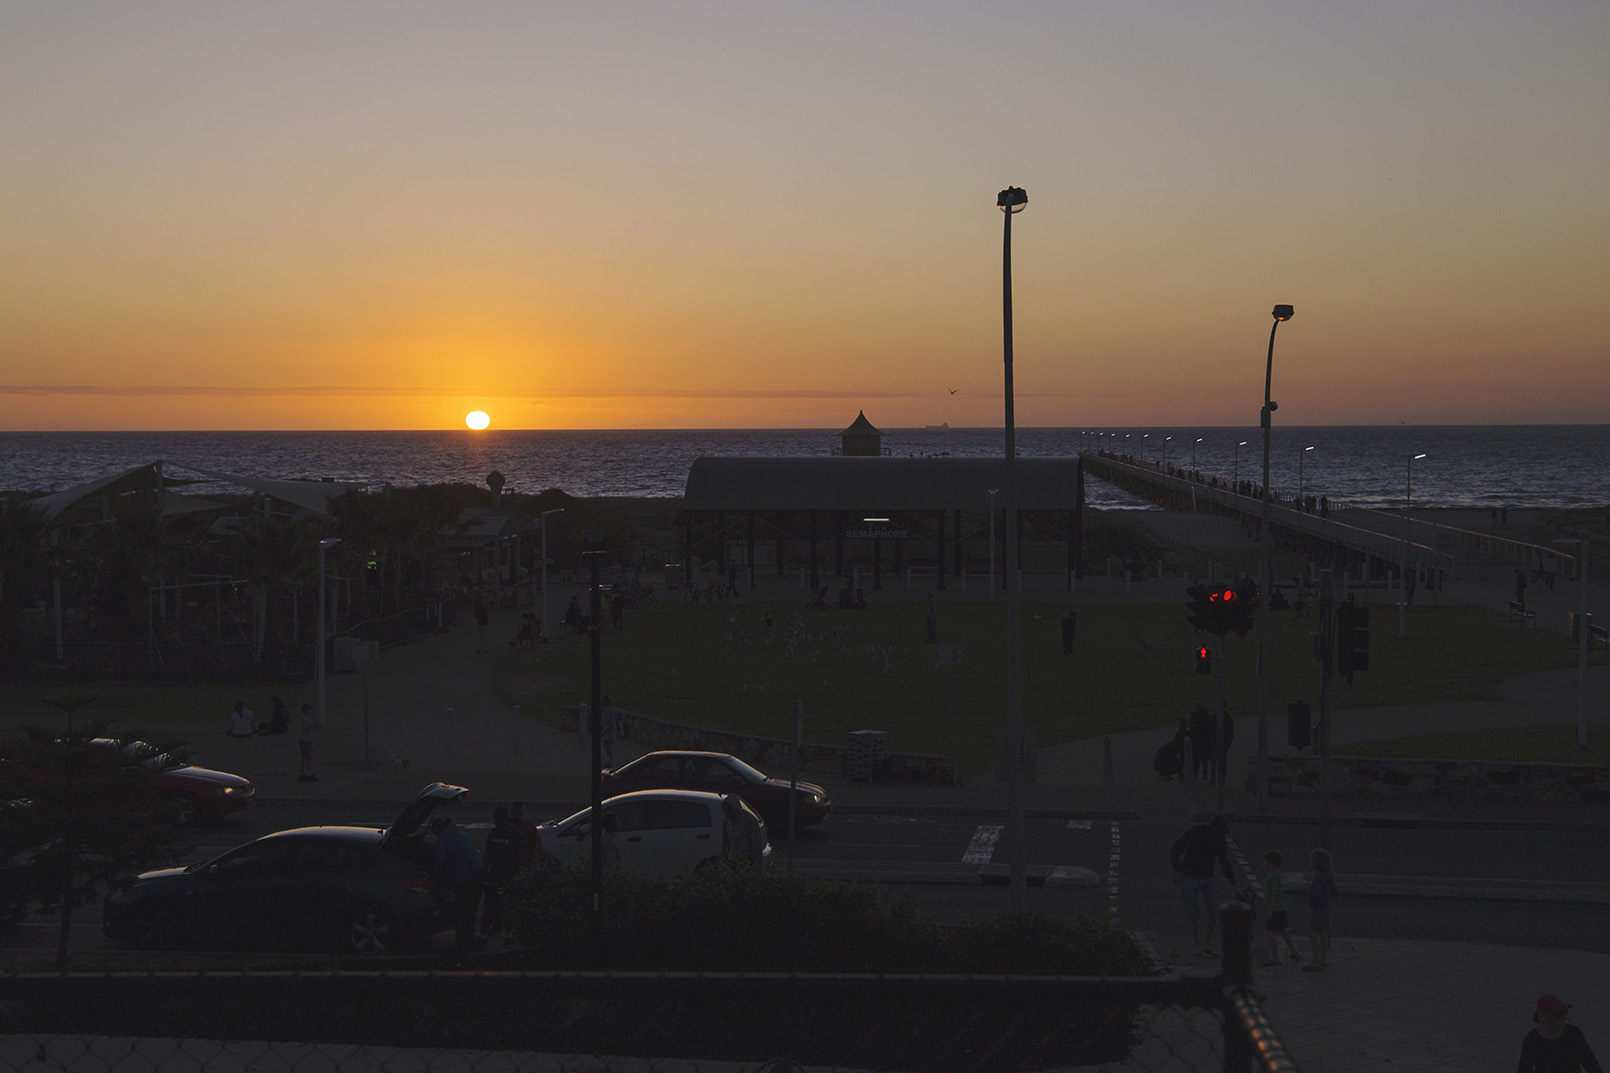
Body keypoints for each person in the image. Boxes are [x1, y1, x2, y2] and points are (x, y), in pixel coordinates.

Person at [1169, 815, 1242, 957]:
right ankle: (1197, 945)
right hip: (1189, 875)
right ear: (1213, 830)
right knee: (1193, 913)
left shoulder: (1220, 841)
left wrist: (1234, 883)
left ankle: (1207, 944)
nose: (1221, 836)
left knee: (1213, 910)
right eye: (1220, 833)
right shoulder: (1196, 831)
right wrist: (1176, 872)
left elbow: (1224, 862)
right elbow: (1176, 849)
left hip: (1208, 876)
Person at [431, 815, 484, 949]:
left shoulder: (443, 838)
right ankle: (468, 942)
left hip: (467, 878)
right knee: (470, 911)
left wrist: (435, 883)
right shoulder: (456, 832)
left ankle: (462, 944)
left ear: (438, 829)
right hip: (477, 874)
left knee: (462, 911)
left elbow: (439, 864)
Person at [1518, 994, 1601, 1073]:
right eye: (1559, 1014)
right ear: (1543, 1016)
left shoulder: (1573, 1033)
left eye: (1565, 1012)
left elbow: (1590, 1063)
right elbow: (1524, 1069)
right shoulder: (1532, 1040)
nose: (1563, 1018)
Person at [480, 805, 523, 940]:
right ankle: (486, 934)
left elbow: (519, 857)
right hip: (495, 874)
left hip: (507, 875)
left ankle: (507, 935)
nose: (496, 822)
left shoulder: (515, 835)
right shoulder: (494, 833)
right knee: (490, 905)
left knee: (506, 906)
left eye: (498, 819)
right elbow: (487, 856)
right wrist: (485, 874)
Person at [1260, 852, 1303, 966]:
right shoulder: (1276, 874)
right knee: (1282, 931)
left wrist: (1270, 908)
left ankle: (1275, 958)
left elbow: (1275, 893)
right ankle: (1294, 952)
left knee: (1271, 932)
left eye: (1265, 861)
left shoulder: (1273, 876)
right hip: (1280, 908)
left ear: (1271, 863)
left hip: (1276, 908)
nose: (1263, 863)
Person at [1302, 847, 1337, 971]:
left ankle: (1315, 962)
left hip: (1318, 908)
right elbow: (1333, 891)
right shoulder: (1328, 875)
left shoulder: (1318, 877)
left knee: (1312, 933)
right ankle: (1323, 959)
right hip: (1327, 907)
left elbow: (1317, 894)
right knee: (1323, 933)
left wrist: (1309, 901)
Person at [722, 794, 765, 867]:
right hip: (732, 860)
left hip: (747, 861)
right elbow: (725, 842)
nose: (727, 814)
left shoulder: (749, 821)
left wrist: (756, 865)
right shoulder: (728, 822)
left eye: (729, 810)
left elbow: (755, 843)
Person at [1188, 700, 1215, 781]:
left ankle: (1195, 773)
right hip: (1204, 739)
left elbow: (1190, 726)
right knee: (1204, 758)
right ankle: (1204, 773)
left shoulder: (1194, 715)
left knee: (1196, 758)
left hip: (1196, 739)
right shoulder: (1207, 715)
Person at [297, 703, 318, 782]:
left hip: (308, 739)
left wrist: (315, 725)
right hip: (304, 739)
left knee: (308, 757)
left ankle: (309, 773)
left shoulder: (309, 717)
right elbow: (306, 730)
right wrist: (314, 727)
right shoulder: (303, 718)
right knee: (305, 756)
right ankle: (302, 773)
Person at [599, 696, 618, 767]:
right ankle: (608, 765)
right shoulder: (607, 710)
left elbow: (610, 723)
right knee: (607, 751)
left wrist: (603, 733)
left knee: (608, 752)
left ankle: (609, 766)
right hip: (609, 735)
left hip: (608, 735)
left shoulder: (607, 710)